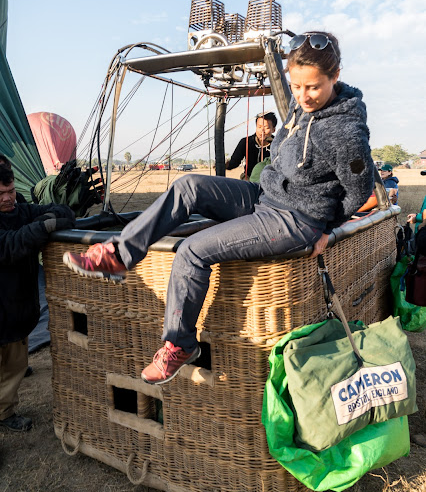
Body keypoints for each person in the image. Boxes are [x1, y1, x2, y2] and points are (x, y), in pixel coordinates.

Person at [63, 31, 374, 385]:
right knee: (189, 186)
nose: (302, 96)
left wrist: (326, 228)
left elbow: (358, 191)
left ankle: (180, 345)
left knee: (192, 250)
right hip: (266, 197)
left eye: (313, 87)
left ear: (335, 76)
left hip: (295, 220)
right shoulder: (301, 109)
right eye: (296, 85)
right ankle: (120, 255)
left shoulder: (345, 130)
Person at [0, 165, 75, 431]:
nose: (7, 198)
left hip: (16, 309)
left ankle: (4, 410)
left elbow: (65, 212)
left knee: (14, 366)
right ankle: (4, 412)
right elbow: (9, 245)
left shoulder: (19, 211)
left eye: (10, 191)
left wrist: (48, 220)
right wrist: (43, 227)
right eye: (0, 193)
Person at [225, 111, 277, 179]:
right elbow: (234, 162)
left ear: (273, 129)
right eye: (259, 127)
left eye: (266, 128)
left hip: (270, 181)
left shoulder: (278, 145)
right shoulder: (246, 142)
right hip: (249, 182)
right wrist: (222, 165)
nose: (262, 131)